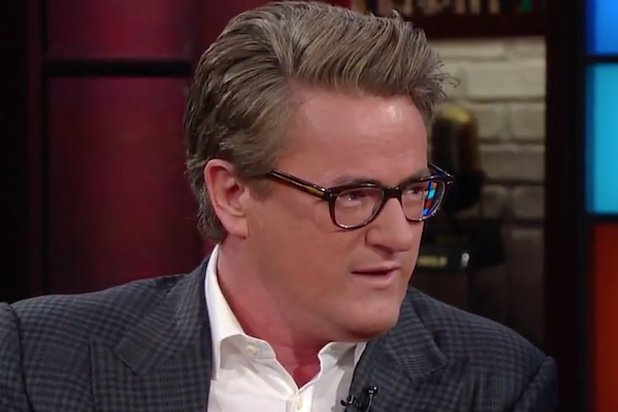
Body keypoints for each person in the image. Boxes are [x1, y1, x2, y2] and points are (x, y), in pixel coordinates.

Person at [0, 2, 556, 411]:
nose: (399, 234)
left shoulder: (502, 383)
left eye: (412, 192)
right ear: (233, 195)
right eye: (353, 196)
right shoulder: (39, 360)